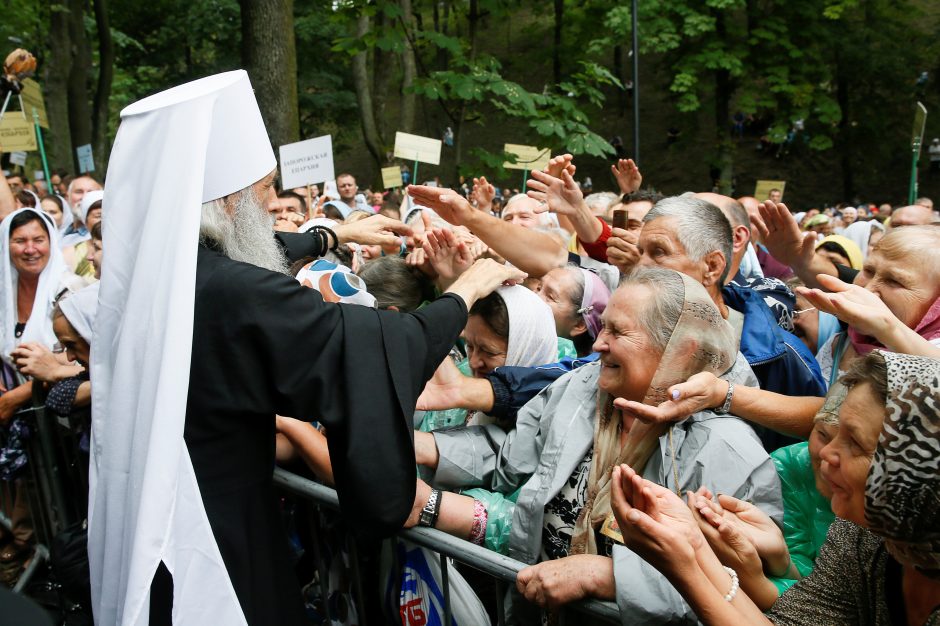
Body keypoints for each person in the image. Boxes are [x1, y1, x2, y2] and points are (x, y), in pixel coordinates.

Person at [88, 70, 525, 626]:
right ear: (226, 199)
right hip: (213, 526)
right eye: (265, 187)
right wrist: (466, 290)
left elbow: (254, 247)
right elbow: (372, 348)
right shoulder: (233, 290)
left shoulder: (156, 269)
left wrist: (336, 234)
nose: (272, 202)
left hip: (149, 497)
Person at [410, 268, 780, 624]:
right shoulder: (582, 387)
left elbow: (737, 585)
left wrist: (610, 576)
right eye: (603, 326)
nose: (599, 343)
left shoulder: (729, 451)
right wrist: (421, 446)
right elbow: (510, 456)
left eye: (618, 332)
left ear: (681, 350)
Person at [610, 351, 940, 626]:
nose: (826, 454)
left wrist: (681, 567)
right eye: (826, 434)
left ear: (917, 467)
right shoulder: (862, 539)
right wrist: (693, 546)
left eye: (854, 443)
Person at [0, 208, 85, 578]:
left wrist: (14, 400)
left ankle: (35, 564)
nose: (31, 249)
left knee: (50, 503)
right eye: (20, 240)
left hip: (52, 419)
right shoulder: (3, 289)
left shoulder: (69, 289)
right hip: (11, 419)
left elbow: (80, 360)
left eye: (39, 239)